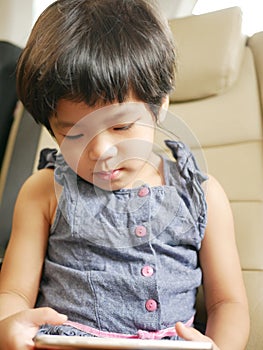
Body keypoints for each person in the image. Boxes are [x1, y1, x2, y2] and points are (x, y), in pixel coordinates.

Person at [0, 0, 249, 349]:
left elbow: (228, 304)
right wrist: (8, 328)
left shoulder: (202, 195)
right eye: (74, 133)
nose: (101, 151)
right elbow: (12, 292)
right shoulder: (43, 192)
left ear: (160, 105)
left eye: (121, 126)